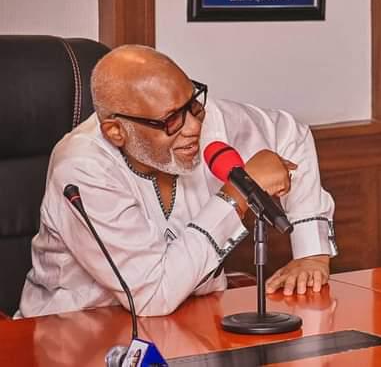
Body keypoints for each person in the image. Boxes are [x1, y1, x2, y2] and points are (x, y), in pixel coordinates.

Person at [18, 45, 336, 317]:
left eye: (193, 104)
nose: (193, 128)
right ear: (116, 131)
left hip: (194, 323)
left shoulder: (203, 120)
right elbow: (154, 294)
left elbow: (291, 133)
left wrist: (311, 251)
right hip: (74, 336)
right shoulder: (82, 169)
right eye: (171, 120)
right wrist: (237, 193)